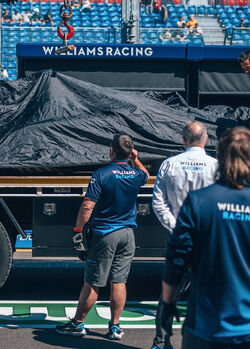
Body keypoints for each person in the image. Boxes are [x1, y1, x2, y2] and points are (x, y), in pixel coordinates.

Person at [158, 127, 250, 349]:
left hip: (204, 328)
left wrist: (167, 304)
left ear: (220, 158)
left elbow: (176, 262)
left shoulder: (198, 202)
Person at [56, 134, 149, 340]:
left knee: (93, 282)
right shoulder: (135, 175)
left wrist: (78, 231)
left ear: (111, 151)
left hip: (105, 234)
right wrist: (136, 158)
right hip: (127, 234)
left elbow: (88, 205)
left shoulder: (102, 174)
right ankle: (114, 327)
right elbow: (145, 173)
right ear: (129, 152)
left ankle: (78, 323)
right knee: (119, 282)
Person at [150, 122, 217, 349]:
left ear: (184, 141)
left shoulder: (169, 164)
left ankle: (161, 342)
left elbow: (158, 203)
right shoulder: (217, 167)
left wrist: (176, 226)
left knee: (169, 293)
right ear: (206, 139)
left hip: (179, 238)